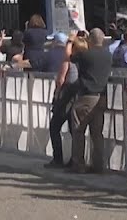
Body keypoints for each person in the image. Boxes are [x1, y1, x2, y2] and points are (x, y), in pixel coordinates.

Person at [68, 28, 111, 174]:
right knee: (97, 133)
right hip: (102, 96)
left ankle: (78, 164)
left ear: (90, 40)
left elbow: (70, 57)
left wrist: (71, 40)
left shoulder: (86, 55)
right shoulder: (108, 55)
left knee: (79, 130)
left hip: (87, 96)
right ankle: (98, 165)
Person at [47, 32, 78, 167]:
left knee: (54, 127)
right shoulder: (81, 60)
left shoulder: (68, 61)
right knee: (74, 130)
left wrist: (57, 94)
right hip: (77, 96)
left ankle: (58, 159)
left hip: (65, 96)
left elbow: (60, 80)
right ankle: (75, 159)